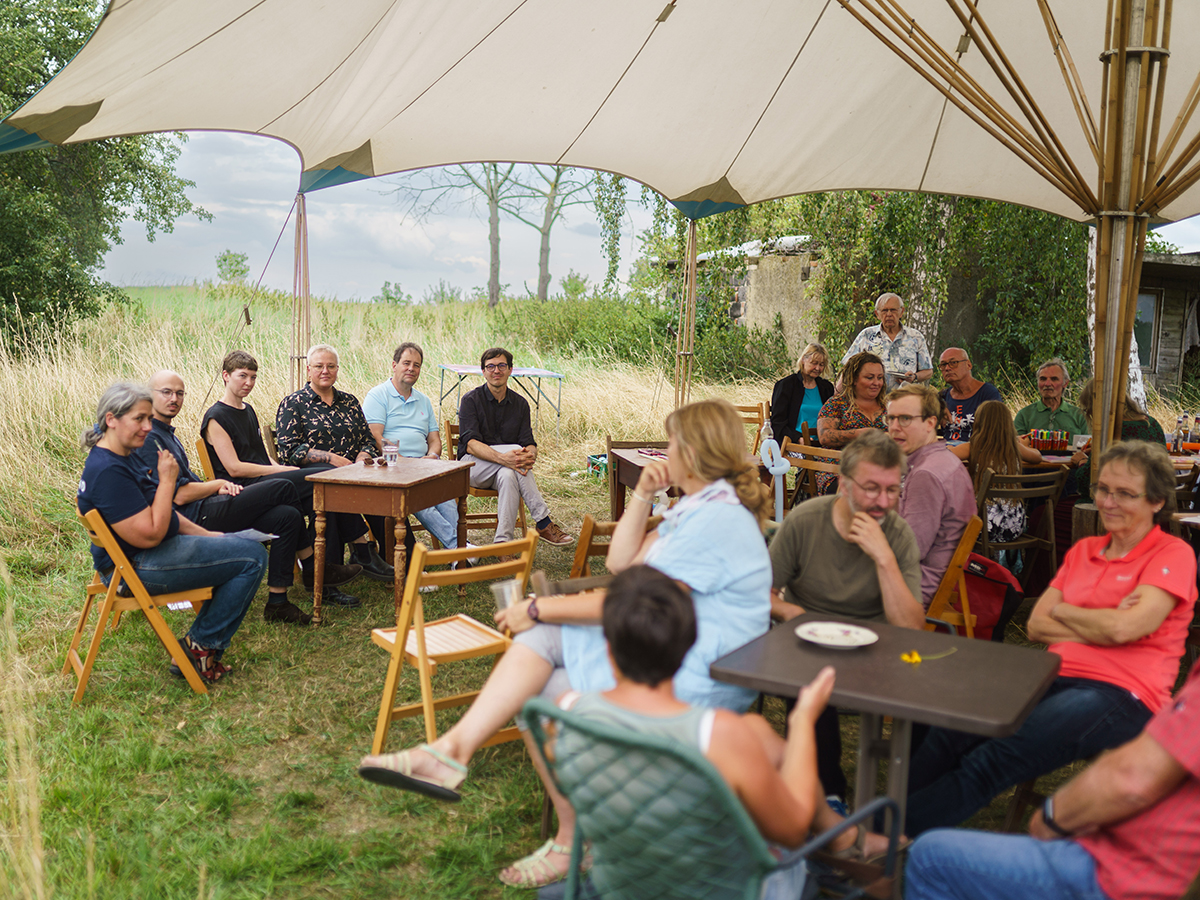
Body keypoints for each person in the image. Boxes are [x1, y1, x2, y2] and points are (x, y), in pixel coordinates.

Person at [359, 398, 774, 888]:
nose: (665, 453)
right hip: (668, 652)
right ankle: (477, 771)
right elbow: (621, 564)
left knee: (541, 640)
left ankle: (525, 806)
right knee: (536, 685)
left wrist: (539, 607)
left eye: (672, 444)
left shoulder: (716, 519)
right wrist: (644, 492)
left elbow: (638, 603)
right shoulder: (699, 507)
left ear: (697, 452)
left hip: (698, 674)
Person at [539, 565, 892, 900]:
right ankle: (844, 840)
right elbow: (794, 830)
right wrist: (802, 723)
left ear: (608, 646)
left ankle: (842, 837)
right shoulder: (718, 735)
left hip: (624, 885)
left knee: (756, 733)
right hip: (722, 889)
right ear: (687, 645)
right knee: (761, 758)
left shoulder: (565, 714)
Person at [902, 441, 1197, 837]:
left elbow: (1125, 629)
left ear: (1157, 501)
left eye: (1125, 493)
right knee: (950, 725)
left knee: (995, 757)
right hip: (1052, 675)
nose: (1108, 502)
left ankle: (885, 835)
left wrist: (1069, 612)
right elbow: (1038, 625)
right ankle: (895, 824)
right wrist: (1105, 621)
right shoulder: (1086, 551)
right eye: (1104, 489)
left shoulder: (1171, 553)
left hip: (1124, 694)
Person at [905, 656, 1200, 900]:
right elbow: (1039, 624)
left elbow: (1130, 780)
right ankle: (890, 829)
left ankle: (888, 833)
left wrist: (1051, 818)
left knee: (931, 857)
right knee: (954, 730)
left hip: (1128, 875)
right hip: (1058, 673)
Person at [769, 428, 924, 805]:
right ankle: (829, 798)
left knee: (928, 704)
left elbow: (911, 627)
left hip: (876, 650)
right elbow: (760, 590)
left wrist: (884, 558)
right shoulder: (806, 520)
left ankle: (910, 805)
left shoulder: (898, 534)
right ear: (843, 484)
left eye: (892, 490)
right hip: (808, 643)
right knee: (809, 689)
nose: (883, 501)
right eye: (871, 488)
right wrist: (789, 610)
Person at [133, 370, 356, 626]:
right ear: (149, 395)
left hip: (209, 502)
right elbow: (179, 496)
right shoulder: (150, 439)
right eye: (166, 392)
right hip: (194, 518)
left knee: (287, 516)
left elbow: (185, 485)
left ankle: (278, 603)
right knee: (294, 485)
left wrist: (213, 488)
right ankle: (317, 566)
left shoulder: (167, 433)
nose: (174, 399)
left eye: (179, 393)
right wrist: (216, 485)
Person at [77, 382, 267, 683]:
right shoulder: (109, 471)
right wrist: (168, 481)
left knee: (238, 547)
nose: (147, 426)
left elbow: (166, 515)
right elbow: (151, 534)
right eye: (139, 419)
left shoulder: (122, 456)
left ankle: (201, 646)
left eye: (148, 418)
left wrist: (211, 537)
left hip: (142, 557)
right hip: (133, 570)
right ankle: (199, 647)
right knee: (252, 558)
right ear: (111, 419)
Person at [200, 349, 364, 607]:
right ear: (225, 376)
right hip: (242, 492)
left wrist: (279, 467)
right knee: (326, 478)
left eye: (253, 377)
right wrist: (285, 471)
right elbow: (235, 469)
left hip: (266, 483)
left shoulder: (247, 409)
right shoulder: (216, 417)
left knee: (314, 504)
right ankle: (358, 551)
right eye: (242, 376)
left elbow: (262, 457)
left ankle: (317, 581)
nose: (248, 383)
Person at [274, 343, 394, 584]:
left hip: (355, 473)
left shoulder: (349, 402)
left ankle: (399, 558)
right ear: (308, 369)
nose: (325, 371)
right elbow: (289, 451)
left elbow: (367, 439)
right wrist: (330, 458)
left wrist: (362, 456)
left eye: (330, 366)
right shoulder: (293, 403)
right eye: (319, 366)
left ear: (337, 369)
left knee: (386, 493)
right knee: (333, 484)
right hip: (311, 479)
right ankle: (361, 551)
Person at [456, 347, 573, 550]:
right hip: (473, 467)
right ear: (483, 371)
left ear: (510, 370)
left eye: (502, 365)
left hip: (508, 469)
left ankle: (503, 546)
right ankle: (543, 522)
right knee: (514, 457)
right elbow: (471, 445)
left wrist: (529, 456)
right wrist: (506, 458)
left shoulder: (520, 404)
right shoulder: (470, 400)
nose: (496, 370)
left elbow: (529, 443)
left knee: (509, 474)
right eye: (490, 366)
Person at [361, 341, 463, 552]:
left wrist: (432, 457)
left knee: (445, 497)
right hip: (394, 467)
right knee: (419, 499)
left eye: (416, 365)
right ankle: (459, 548)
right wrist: (404, 462)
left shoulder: (423, 400)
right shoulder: (378, 395)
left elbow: (434, 440)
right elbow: (375, 436)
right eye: (406, 363)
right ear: (394, 365)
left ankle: (457, 552)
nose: (411, 369)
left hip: (424, 465)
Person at [887, 384, 976, 608]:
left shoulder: (926, 474)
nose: (894, 427)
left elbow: (909, 551)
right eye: (890, 418)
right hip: (930, 579)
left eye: (905, 419)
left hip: (914, 588)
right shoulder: (941, 459)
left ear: (930, 423)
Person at [950, 400, 1043, 544]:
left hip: (980, 526)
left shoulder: (972, 447)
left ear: (979, 422)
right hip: (1013, 526)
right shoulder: (1014, 447)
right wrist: (1023, 444)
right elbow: (1037, 457)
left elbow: (944, 457)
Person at [1072, 377, 1167, 501]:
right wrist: (1097, 451)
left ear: (1095, 407)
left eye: (1088, 411)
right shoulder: (1152, 423)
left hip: (1121, 502)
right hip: (1153, 499)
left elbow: (1087, 482)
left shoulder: (1111, 430)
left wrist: (1082, 461)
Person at [816, 351, 888, 494]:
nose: (876, 383)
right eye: (869, 377)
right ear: (854, 379)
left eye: (880, 378)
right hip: (840, 470)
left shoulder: (888, 406)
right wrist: (860, 434)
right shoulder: (837, 404)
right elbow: (824, 436)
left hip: (882, 470)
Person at [840, 292, 933, 392]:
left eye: (893, 310)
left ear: (901, 312)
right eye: (884, 310)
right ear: (877, 314)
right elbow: (848, 367)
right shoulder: (866, 335)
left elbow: (928, 371)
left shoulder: (915, 337)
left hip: (905, 397)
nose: (889, 314)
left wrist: (914, 376)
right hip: (871, 397)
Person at [769, 342, 834, 446]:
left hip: (822, 445)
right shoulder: (786, 386)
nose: (817, 368)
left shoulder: (826, 388)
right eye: (814, 363)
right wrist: (798, 438)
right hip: (793, 444)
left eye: (821, 365)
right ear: (803, 359)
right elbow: (777, 424)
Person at [1011, 357, 1088, 439]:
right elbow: (1015, 445)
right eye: (1043, 379)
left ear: (1065, 383)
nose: (1047, 384)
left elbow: (1090, 445)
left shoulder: (1080, 416)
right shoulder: (1024, 415)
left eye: (1054, 379)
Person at [937, 347, 1002, 442]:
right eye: (943, 365)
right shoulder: (942, 396)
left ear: (968, 365)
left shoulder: (987, 393)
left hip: (976, 449)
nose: (947, 368)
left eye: (953, 363)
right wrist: (938, 406)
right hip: (946, 449)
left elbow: (996, 433)